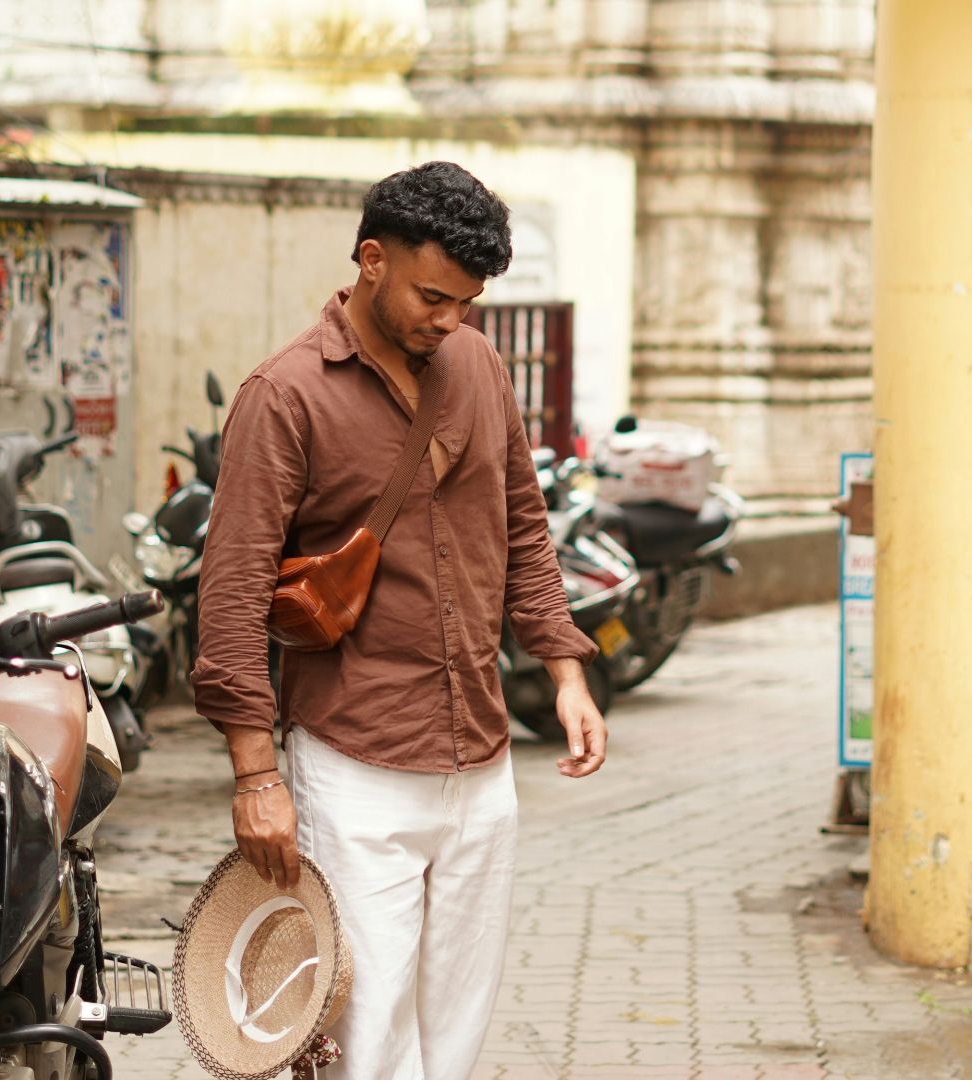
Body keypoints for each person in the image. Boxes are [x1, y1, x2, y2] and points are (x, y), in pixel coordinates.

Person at [192, 160, 608, 1079]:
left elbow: (524, 524)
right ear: (371, 259)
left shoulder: (478, 364)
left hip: (481, 751)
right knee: (365, 1027)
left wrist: (566, 671)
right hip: (354, 760)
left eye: (467, 302)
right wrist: (256, 775)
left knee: (457, 1017)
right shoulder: (284, 396)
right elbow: (229, 594)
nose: (448, 319)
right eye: (432, 296)